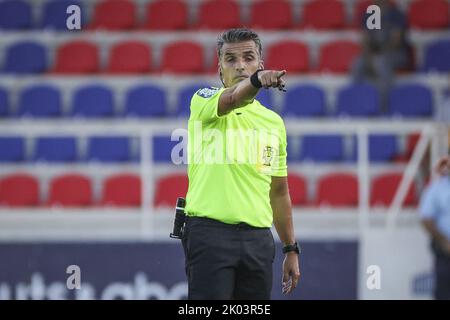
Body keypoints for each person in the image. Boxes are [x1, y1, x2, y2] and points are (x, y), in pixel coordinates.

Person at [181, 28, 300, 300]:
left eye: (248, 58)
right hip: (209, 234)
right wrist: (257, 81)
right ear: (219, 68)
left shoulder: (273, 123)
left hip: (258, 240)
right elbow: (234, 97)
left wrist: (290, 248)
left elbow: (278, 192)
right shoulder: (203, 100)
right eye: (230, 59)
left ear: (260, 62)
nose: (240, 65)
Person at [352, 0, 412, 111]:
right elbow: (366, 40)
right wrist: (369, 56)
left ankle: (383, 107)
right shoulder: (371, 15)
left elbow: (396, 42)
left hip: (396, 54)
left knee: (381, 62)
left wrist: (376, 55)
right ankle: (357, 103)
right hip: (375, 54)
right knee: (358, 63)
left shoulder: (396, 15)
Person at [419, 155, 450, 300]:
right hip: (445, 253)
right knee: (444, 292)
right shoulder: (437, 189)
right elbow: (426, 219)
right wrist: (444, 242)